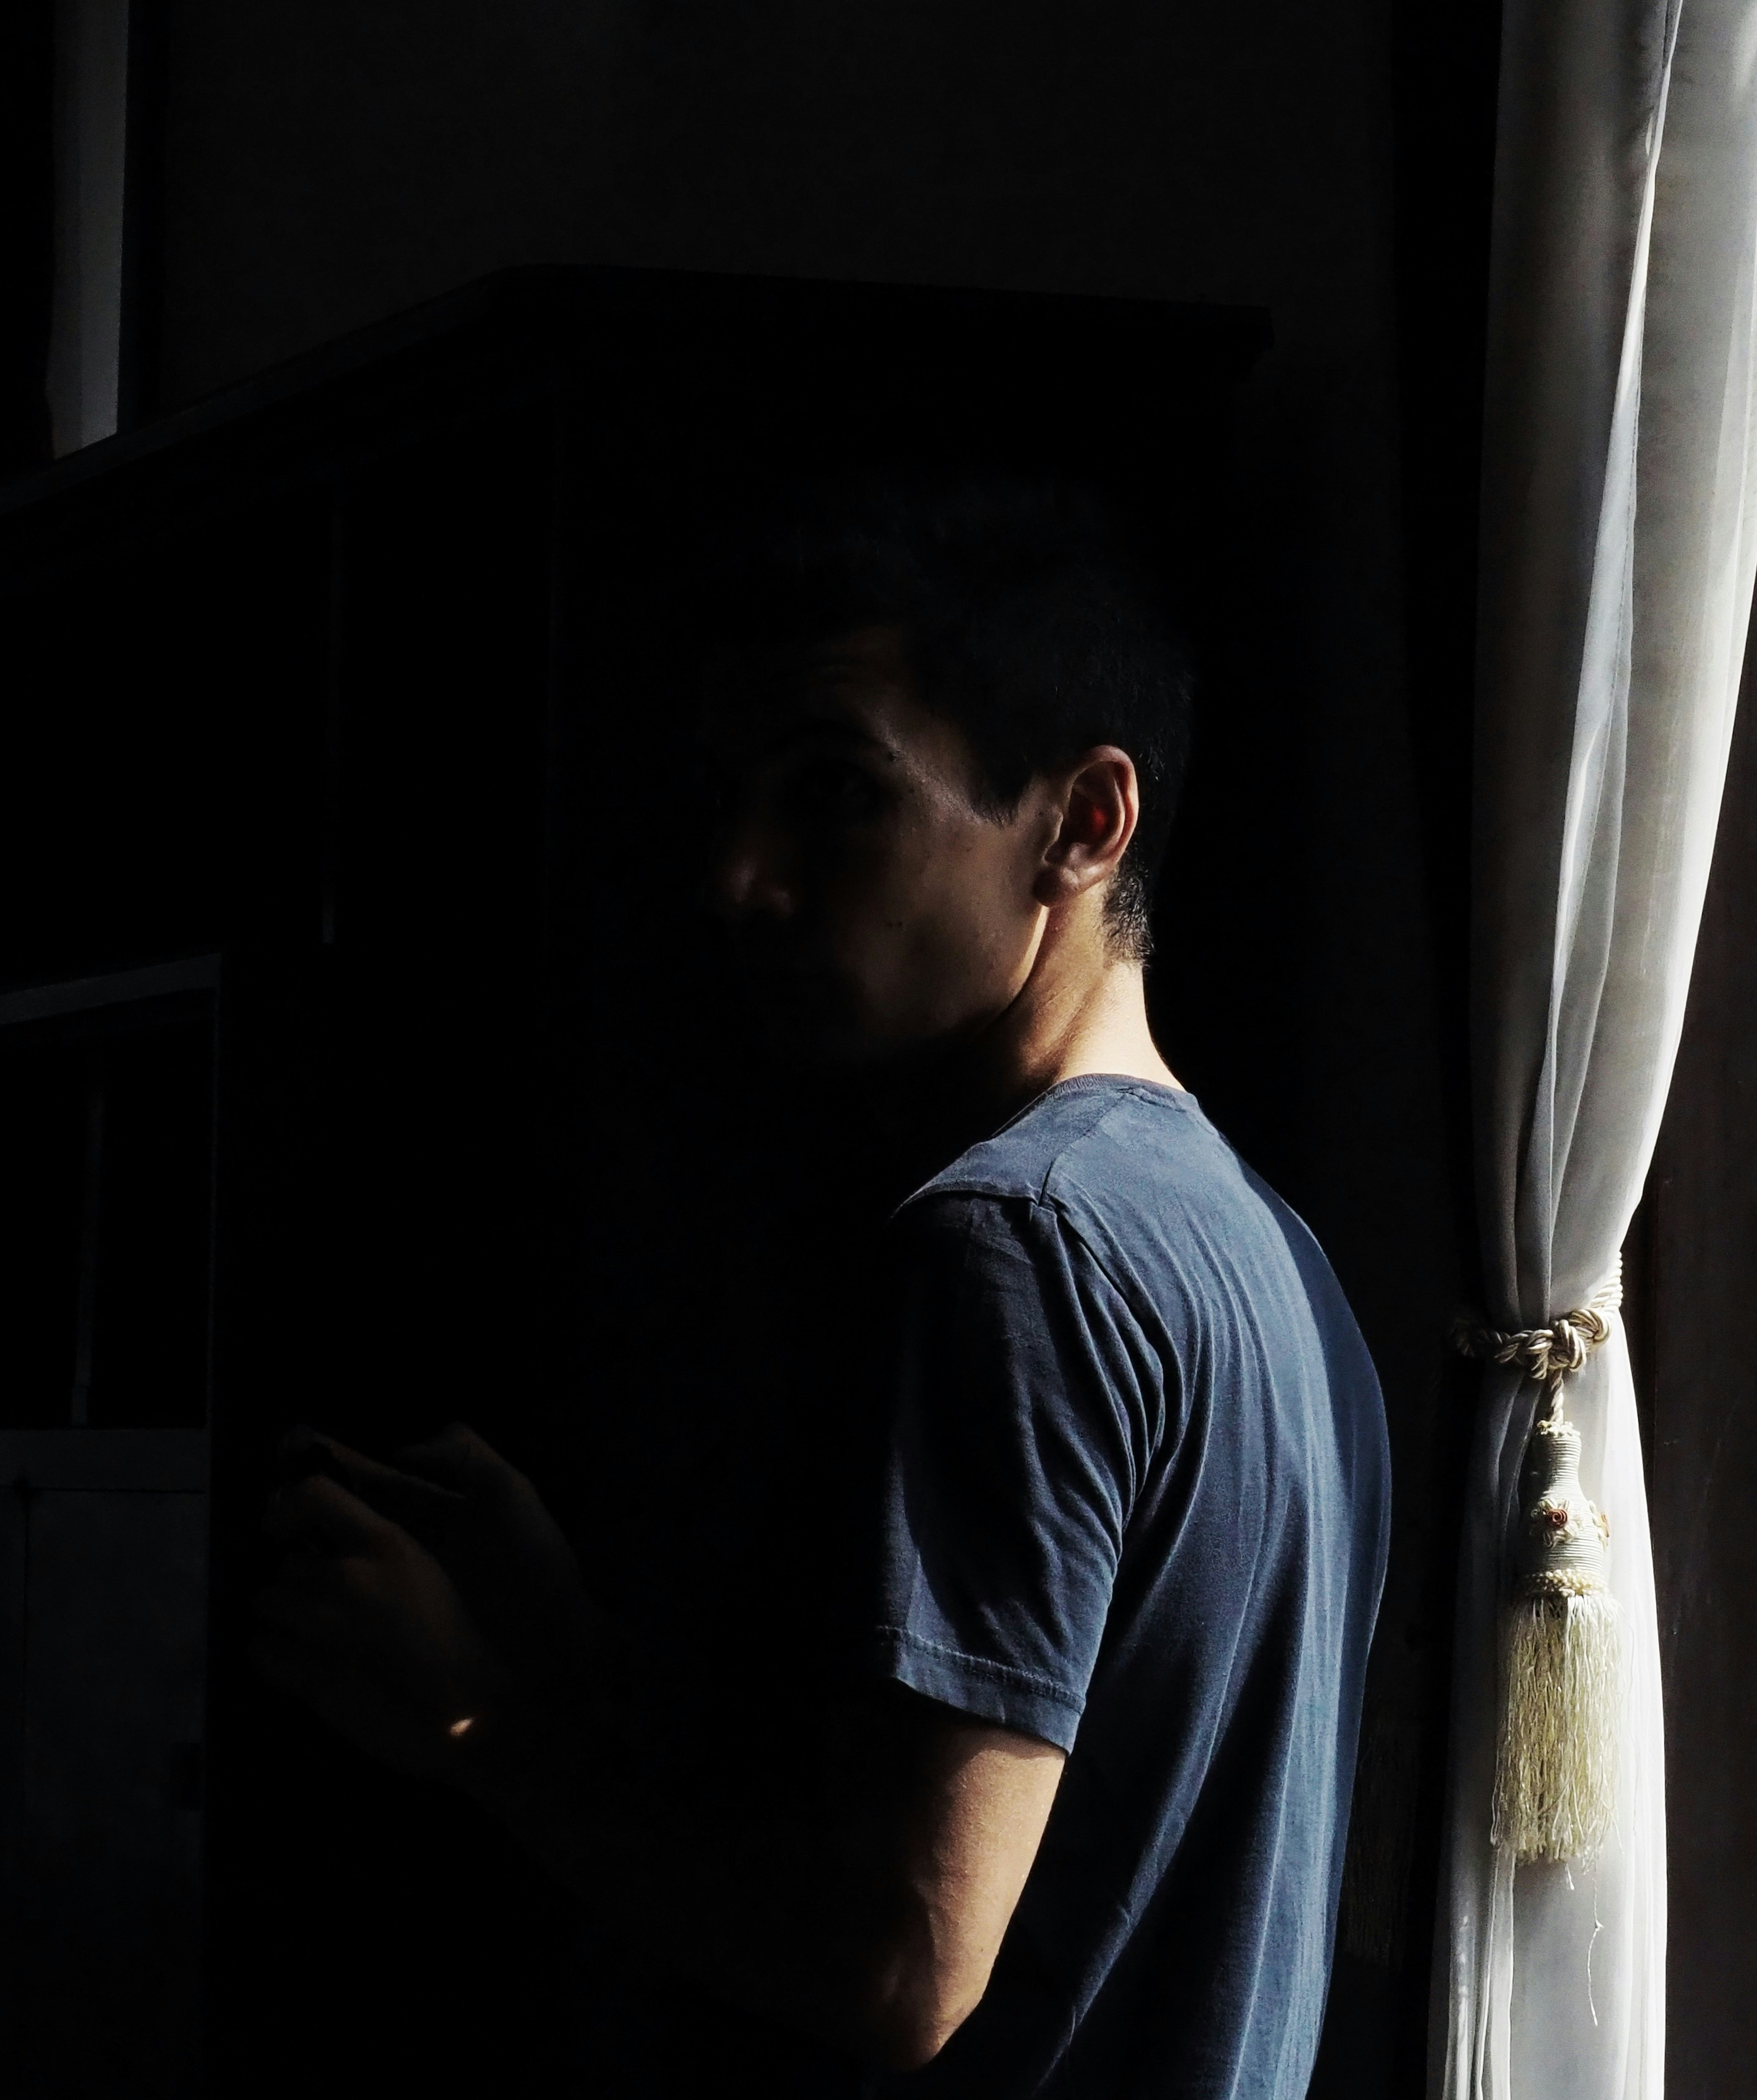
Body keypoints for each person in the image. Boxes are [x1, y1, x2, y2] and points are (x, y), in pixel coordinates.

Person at [252, 474, 1391, 2097]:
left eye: (839, 795)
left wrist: (485, 1725)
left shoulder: (1015, 1244)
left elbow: (899, 1966)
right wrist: (571, 1658)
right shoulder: (1275, 1258)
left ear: (1084, 821)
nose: (740, 877)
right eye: (729, 800)